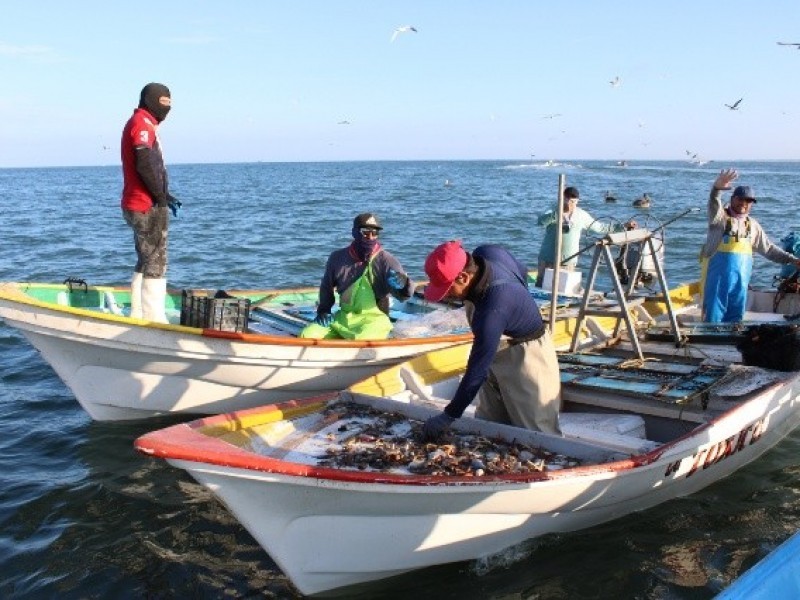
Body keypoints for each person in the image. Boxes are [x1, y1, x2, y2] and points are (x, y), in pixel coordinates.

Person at [420, 240, 562, 442]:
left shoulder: (492, 310)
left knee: (538, 434)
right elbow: (521, 271)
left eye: (447, 289)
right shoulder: (486, 253)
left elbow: (477, 370)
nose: (446, 296)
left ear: (463, 277)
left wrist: (449, 415)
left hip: (527, 354)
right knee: (489, 427)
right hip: (498, 348)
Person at [701, 168, 800, 323]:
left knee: (736, 315)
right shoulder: (719, 219)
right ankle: (708, 339)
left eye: (748, 201)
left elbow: (769, 249)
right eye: (740, 199)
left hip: (740, 282)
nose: (744, 204)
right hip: (717, 280)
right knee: (713, 313)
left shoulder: (752, 226)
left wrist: (793, 260)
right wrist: (716, 189)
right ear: (733, 199)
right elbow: (713, 203)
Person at [120, 82, 181, 323]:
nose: (166, 108)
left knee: (145, 257)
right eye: (162, 102)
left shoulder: (143, 123)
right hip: (145, 204)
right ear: (149, 100)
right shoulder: (142, 124)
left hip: (137, 202)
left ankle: (137, 312)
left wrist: (167, 194)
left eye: (169, 103)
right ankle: (154, 318)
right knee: (157, 259)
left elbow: (149, 166)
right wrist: (159, 197)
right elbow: (144, 163)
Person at [300, 213, 414, 339]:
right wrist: (324, 311)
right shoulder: (337, 258)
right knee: (307, 334)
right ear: (354, 233)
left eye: (374, 233)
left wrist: (404, 284)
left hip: (374, 320)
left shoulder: (386, 260)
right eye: (365, 232)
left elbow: (404, 296)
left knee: (363, 337)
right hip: (344, 317)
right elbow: (326, 287)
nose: (370, 237)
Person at [535, 186, 635, 287]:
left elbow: (600, 227)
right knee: (541, 287)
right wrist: (557, 214)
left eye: (573, 201)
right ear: (562, 198)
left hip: (569, 260)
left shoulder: (581, 215)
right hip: (547, 258)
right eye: (567, 200)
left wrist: (623, 226)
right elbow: (540, 222)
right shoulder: (553, 210)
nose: (570, 204)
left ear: (577, 201)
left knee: (563, 290)